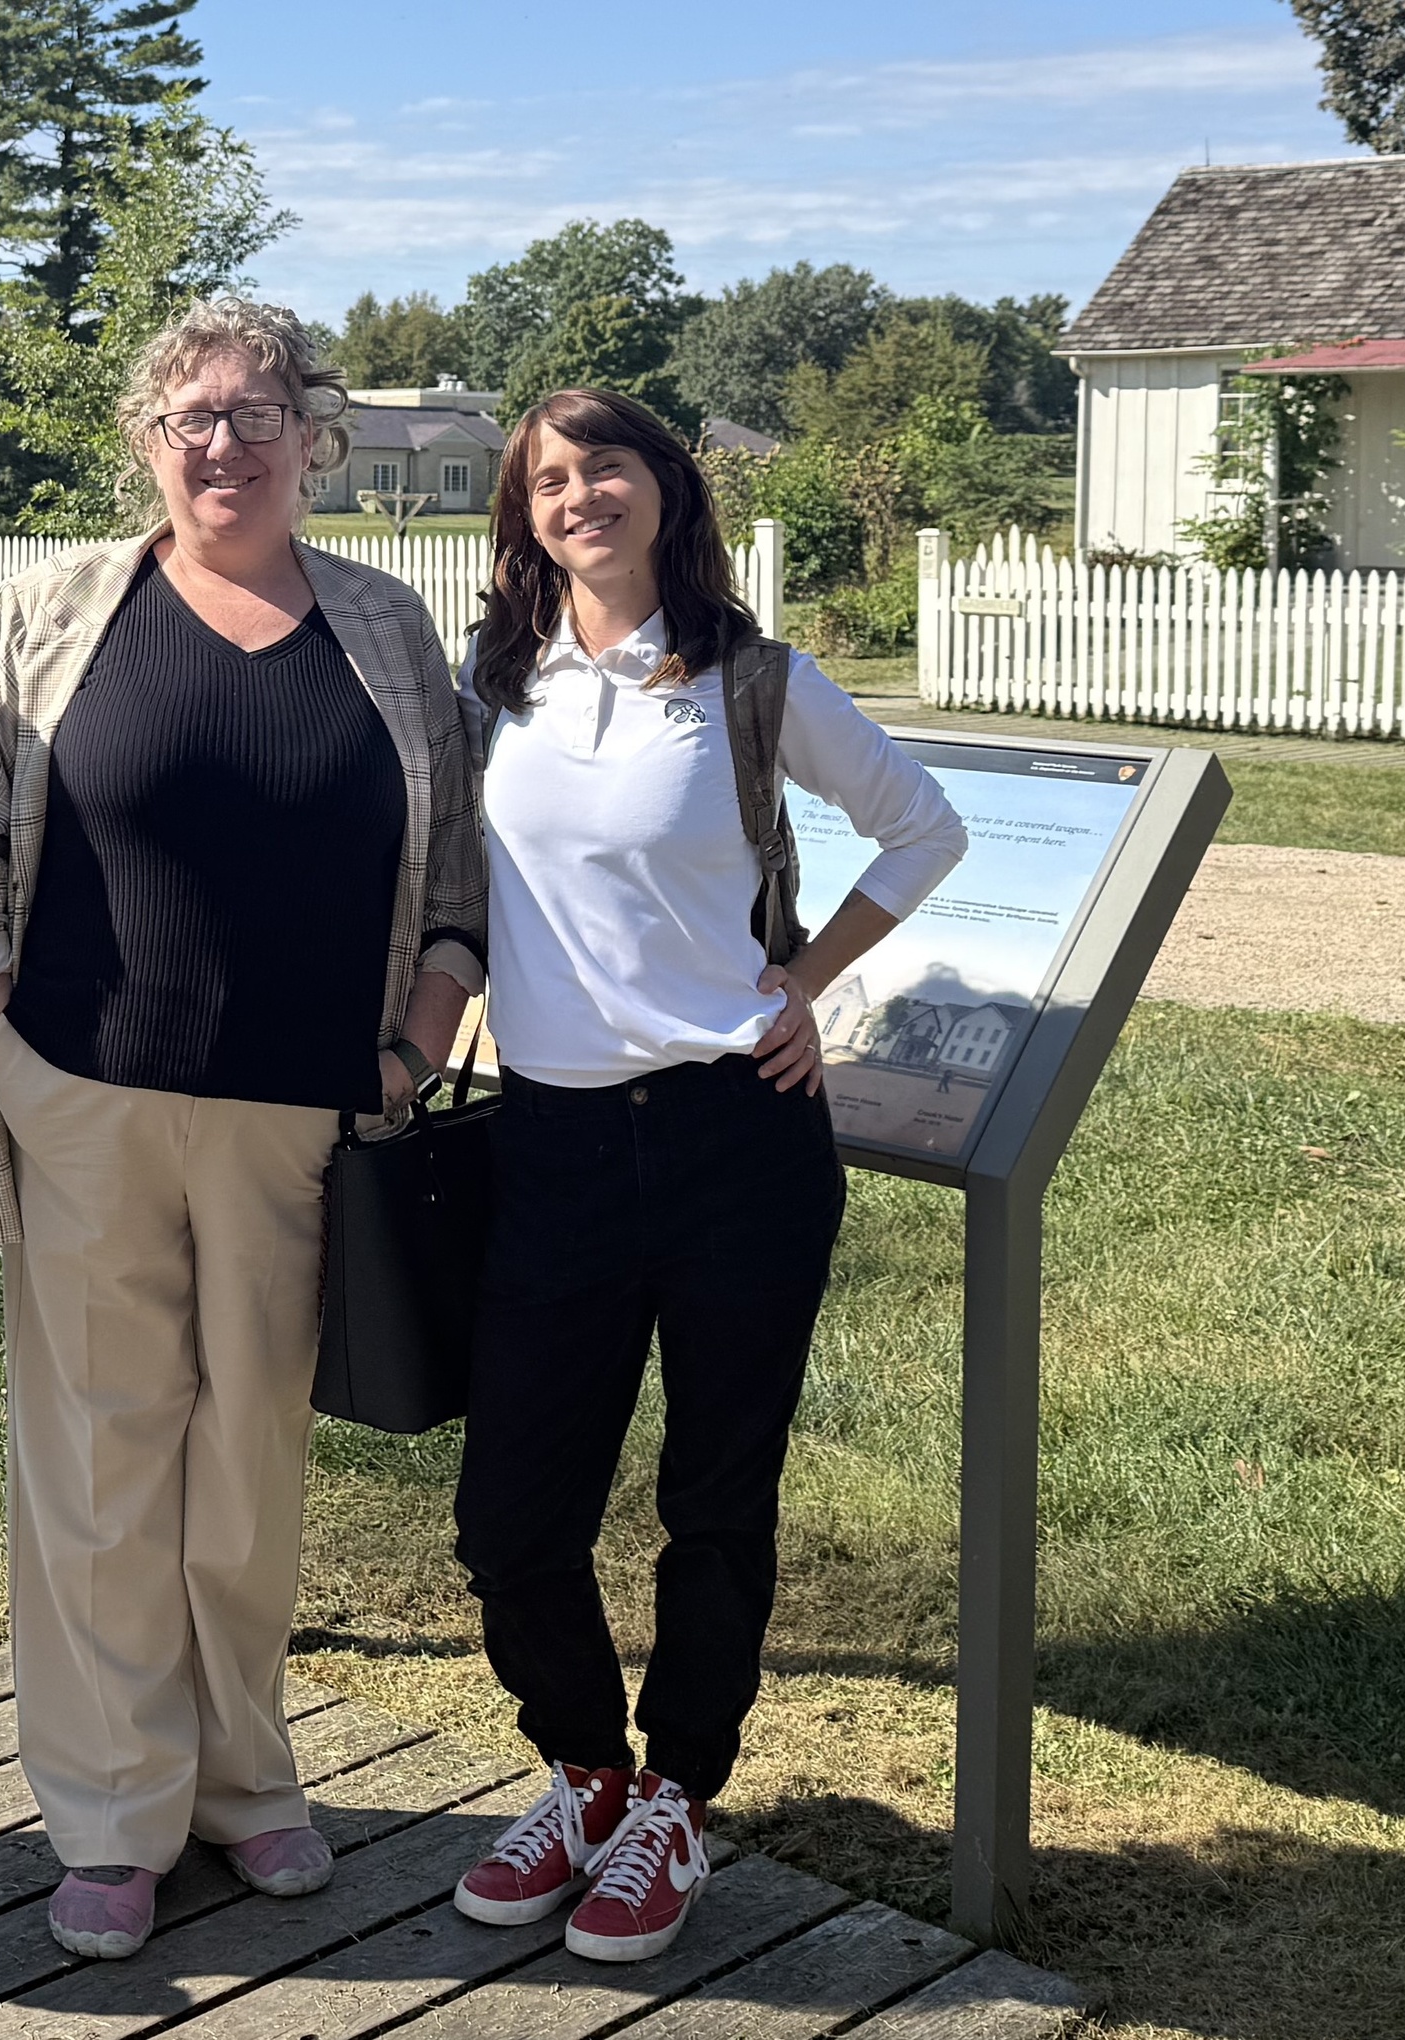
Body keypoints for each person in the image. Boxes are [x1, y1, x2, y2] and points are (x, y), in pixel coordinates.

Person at [0, 296, 484, 1962]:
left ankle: (241, 1779)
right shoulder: (53, 611)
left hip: (303, 1120)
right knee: (98, 1467)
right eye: (185, 418)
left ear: (317, 436)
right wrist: (4, 1055)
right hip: (83, 1097)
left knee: (247, 1468)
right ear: (146, 446)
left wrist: (415, 1040)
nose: (218, 444)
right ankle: (109, 1809)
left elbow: (455, 885)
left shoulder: (386, 627)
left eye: (250, 413)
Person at [446, 389, 966, 1962]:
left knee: (716, 1500)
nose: (578, 494)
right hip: (549, 1145)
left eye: (606, 465)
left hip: (737, 1135)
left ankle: (675, 1797)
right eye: (547, 477)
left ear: (667, 490)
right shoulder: (495, 685)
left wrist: (802, 983)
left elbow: (920, 828)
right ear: (520, 512)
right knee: (510, 1517)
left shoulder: (749, 682)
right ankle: (586, 1772)